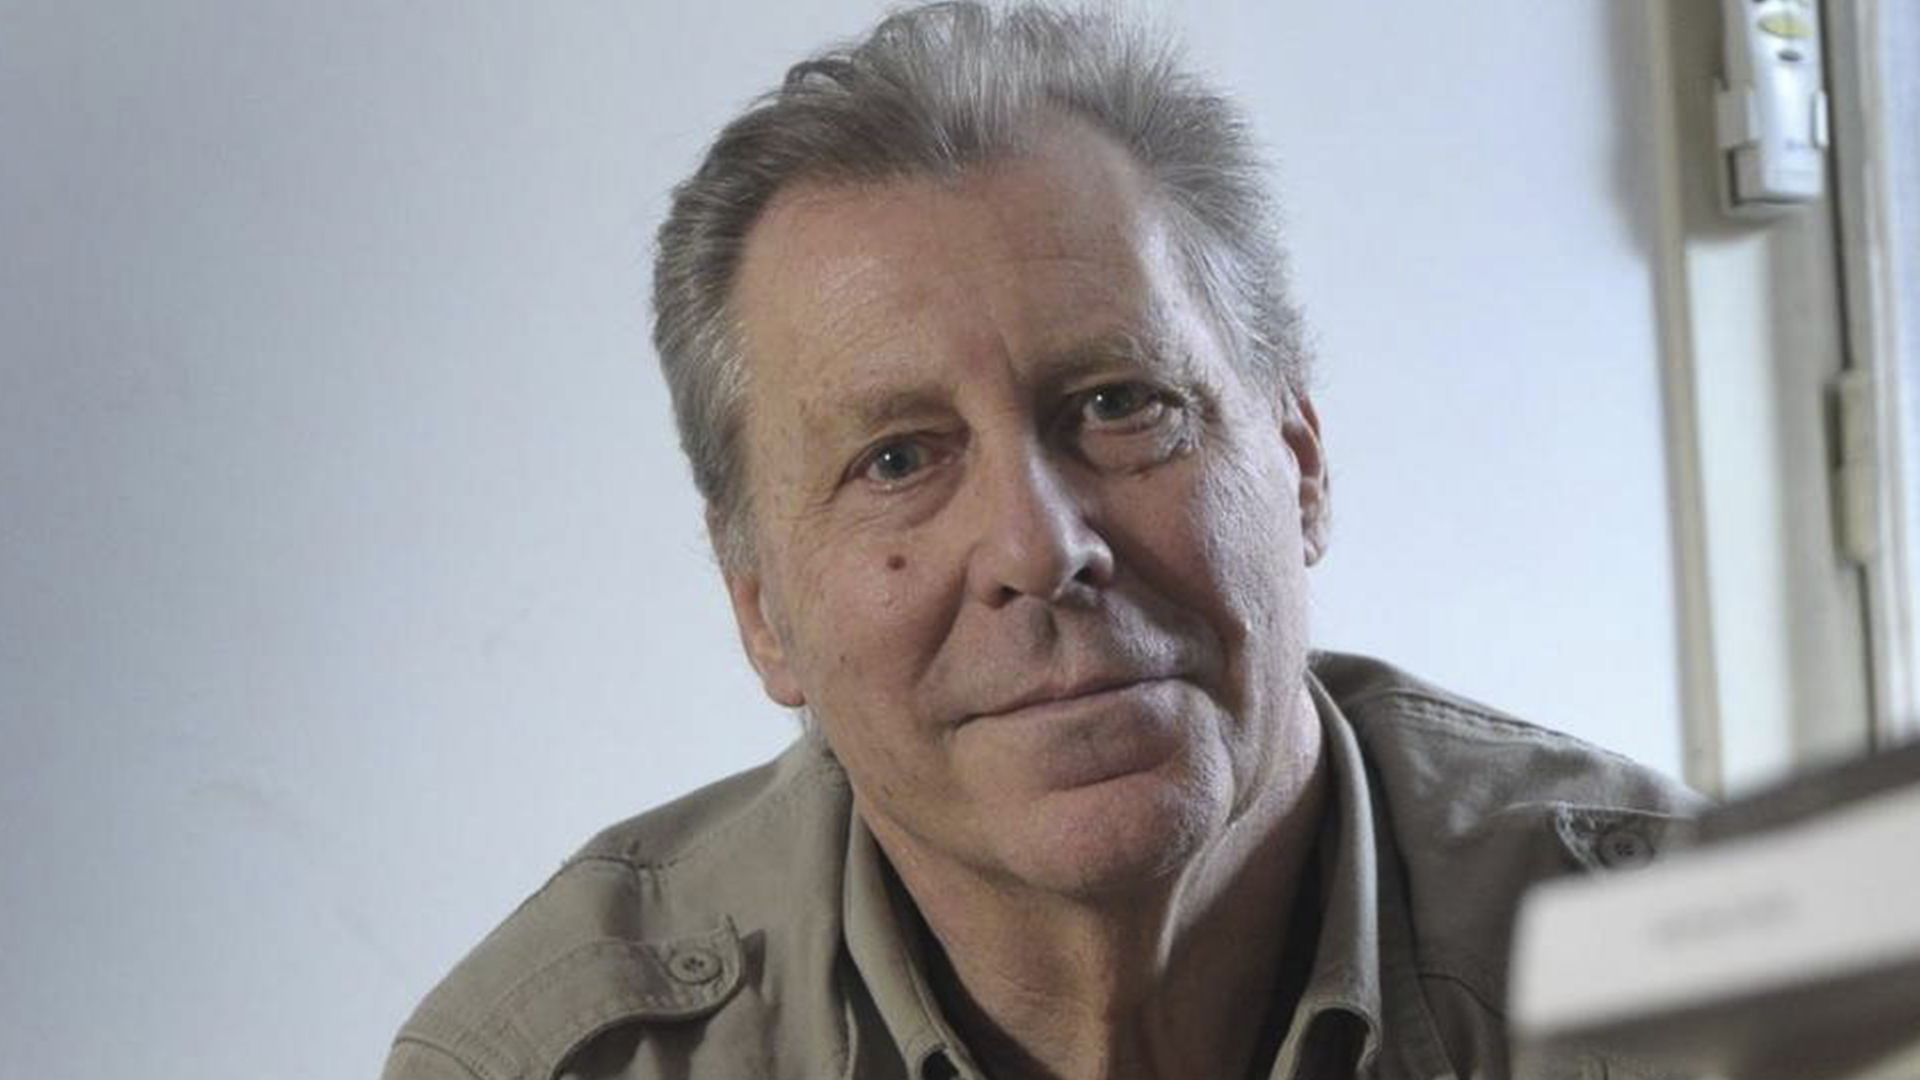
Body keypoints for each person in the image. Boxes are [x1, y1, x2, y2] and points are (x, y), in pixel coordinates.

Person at [382, 5, 1702, 1079]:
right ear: (761, 611)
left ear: (1299, 464)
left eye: (1121, 406)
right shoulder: (560, 1060)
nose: (1037, 546)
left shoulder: (1708, 980)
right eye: (896, 460)